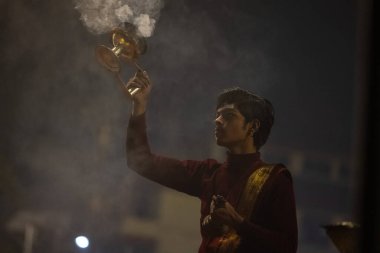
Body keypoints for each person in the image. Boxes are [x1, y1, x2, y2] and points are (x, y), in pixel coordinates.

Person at [121, 70, 298, 253]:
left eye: (228, 116)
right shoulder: (209, 172)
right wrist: (139, 105)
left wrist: (237, 222)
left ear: (252, 127)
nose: (217, 120)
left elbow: (286, 247)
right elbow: (139, 160)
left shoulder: (275, 180)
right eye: (218, 115)